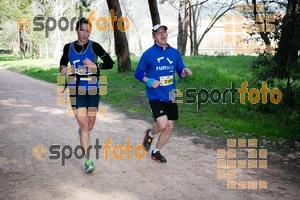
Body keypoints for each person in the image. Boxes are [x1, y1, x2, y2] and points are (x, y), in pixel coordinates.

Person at [59, 18, 114, 172]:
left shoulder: (94, 46)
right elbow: (63, 63)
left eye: (88, 30)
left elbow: (110, 63)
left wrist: (96, 65)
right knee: (84, 124)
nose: (85, 33)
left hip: (92, 89)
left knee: (89, 126)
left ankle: (83, 132)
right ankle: (88, 161)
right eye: (82, 30)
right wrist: (63, 68)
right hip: (76, 89)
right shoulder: (68, 47)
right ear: (77, 30)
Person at [134, 24, 193, 163]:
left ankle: (156, 151)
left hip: (171, 93)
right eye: (159, 33)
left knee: (170, 126)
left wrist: (184, 72)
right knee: (162, 124)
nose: (162, 34)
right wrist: (148, 81)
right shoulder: (148, 54)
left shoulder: (174, 53)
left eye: (164, 32)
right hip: (155, 94)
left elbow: (180, 71)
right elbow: (138, 73)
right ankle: (150, 133)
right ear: (154, 37)